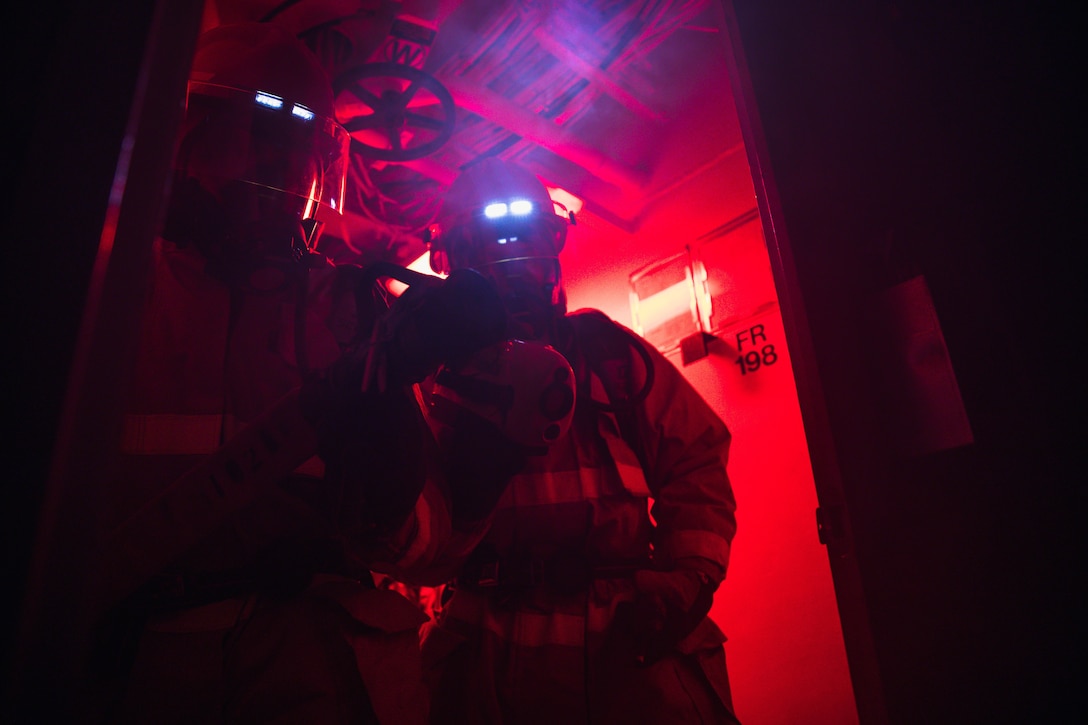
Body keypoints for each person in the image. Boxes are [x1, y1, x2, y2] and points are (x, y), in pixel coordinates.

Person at [90, 23, 561, 725]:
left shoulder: (347, 306)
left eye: (299, 152)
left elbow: (423, 550)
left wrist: (462, 470)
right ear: (190, 137)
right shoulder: (110, 288)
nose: (280, 174)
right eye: (257, 137)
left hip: (316, 670)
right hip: (136, 663)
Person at [417, 157, 743, 724]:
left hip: (628, 652)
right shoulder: (429, 382)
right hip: (485, 651)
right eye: (489, 249)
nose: (513, 267)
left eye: (528, 242)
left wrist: (688, 573)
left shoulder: (610, 358)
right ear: (454, 262)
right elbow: (408, 532)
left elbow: (695, 459)